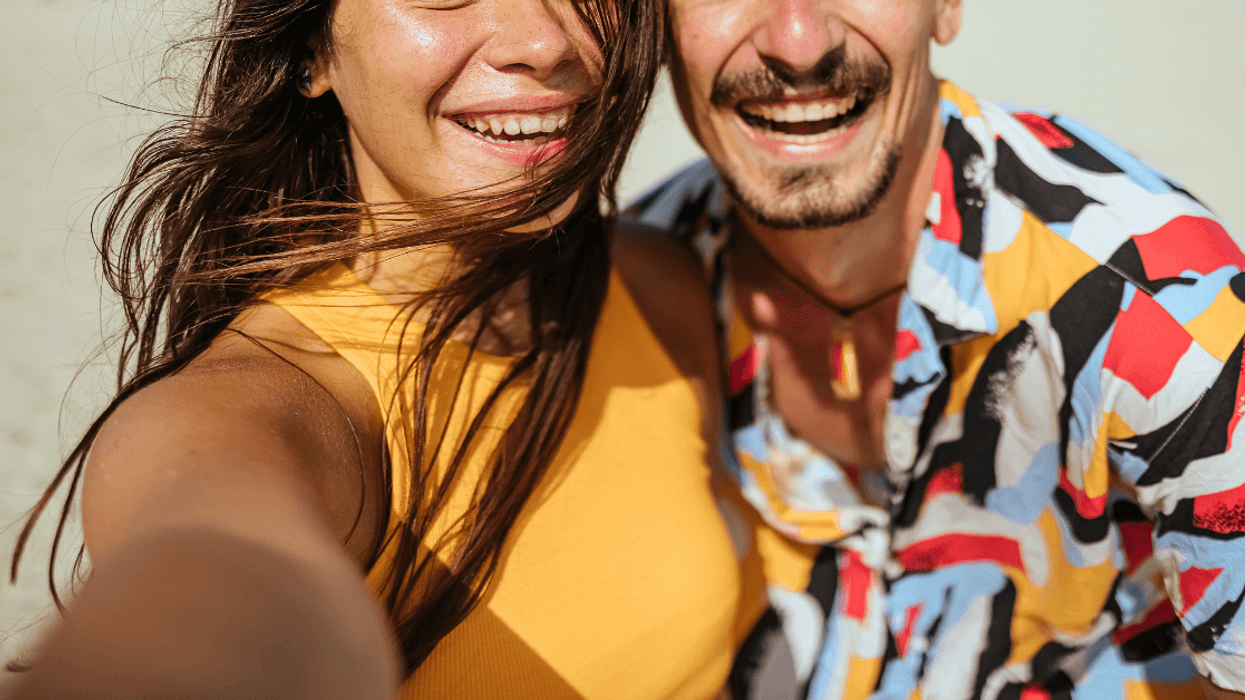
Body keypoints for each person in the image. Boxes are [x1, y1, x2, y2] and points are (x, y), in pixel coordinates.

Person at [7, 0, 751, 697]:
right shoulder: (258, 414)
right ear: (311, 51)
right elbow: (215, 598)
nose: (544, 41)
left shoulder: (660, 285)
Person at [628, 0, 1245, 698]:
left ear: (945, 7)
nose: (797, 42)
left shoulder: (1162, 308)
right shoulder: (619, 301)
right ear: (653, 28)